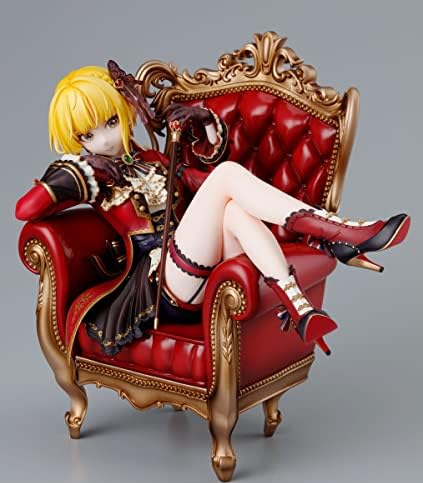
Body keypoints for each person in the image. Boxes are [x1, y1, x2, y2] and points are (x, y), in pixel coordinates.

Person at [15, 62, 411, 357]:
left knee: (234, 209)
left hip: (198, 271)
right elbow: (25, 209)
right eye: (87, 134)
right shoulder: (92, 175)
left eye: (110, 122)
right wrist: (80, 166)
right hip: (161, 286)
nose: (103, 140)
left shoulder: (153, 159)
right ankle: (340, 234)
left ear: (126, 113)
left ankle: (302, 310)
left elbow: (202, 184)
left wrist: (205, 123)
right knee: (227, 178)